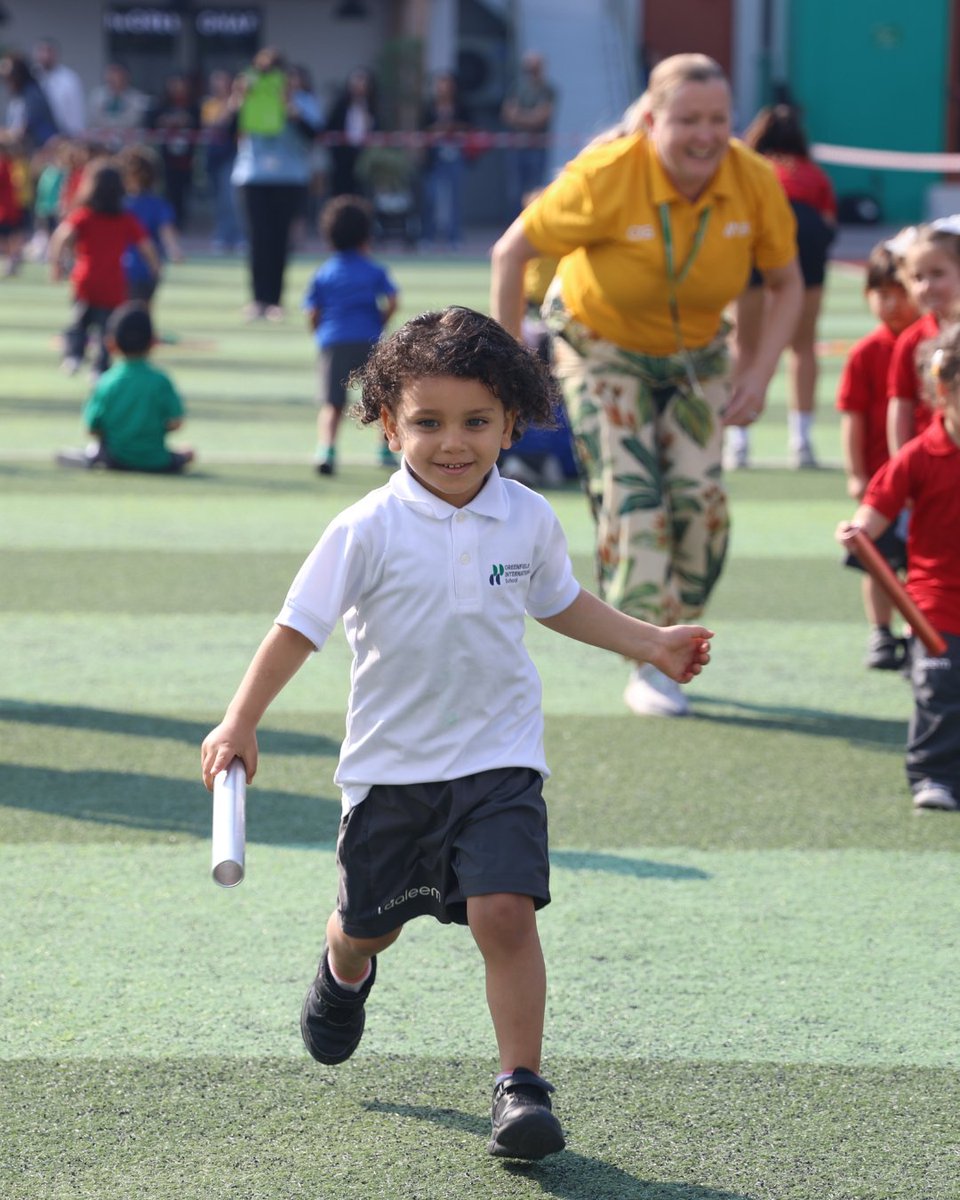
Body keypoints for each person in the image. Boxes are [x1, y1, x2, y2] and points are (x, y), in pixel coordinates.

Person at [200, 305, 713, 1161]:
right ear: (388, 421)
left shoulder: (526, 517)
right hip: (391, 773)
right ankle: (344, 968)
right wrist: (241, 720)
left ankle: (522, 1088)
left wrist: (649, 642)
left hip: (499, 761)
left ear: (513, 418)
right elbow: (298, 626)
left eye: (477, 421)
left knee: (505, 915)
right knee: (369, 926)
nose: (453, 442)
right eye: (428, 422)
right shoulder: (365, 528)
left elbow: (558, 601)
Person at [490, 52, 801, 717]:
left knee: (700, 506)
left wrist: (757, 371)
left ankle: (679, 637)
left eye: (719, 119)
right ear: (653, 120)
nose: (705, 135)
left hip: (697, 356)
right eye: (687, 119)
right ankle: (647, 654)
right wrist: (508, 371)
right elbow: (511, 251)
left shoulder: (753, 181)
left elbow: (785, 283)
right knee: (635, 499)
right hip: (602, 348)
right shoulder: (605, 175)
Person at [837, 320, 960, 812]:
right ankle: (933, 775)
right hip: (934, 601)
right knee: (939, 687)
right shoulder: (919, 455)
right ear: (945, 389)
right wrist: (859, 529)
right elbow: (878, 506)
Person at [836, 238, 919, 670]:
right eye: (880, 294)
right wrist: (856, 473)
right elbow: (852, 415)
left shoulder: (935, 343)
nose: (890, 304)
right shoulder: (867, 352)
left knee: (920, 563)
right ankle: (881, 632)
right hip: (881, 481)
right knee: (878, 562)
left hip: (925, 481)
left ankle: (916, 634)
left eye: (899, 292)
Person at [302, 194, 398, 476]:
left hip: (333, 340)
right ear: (366, 234)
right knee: (382, 398)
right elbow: (392, 299)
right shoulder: (374, 269)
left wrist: (319, 332)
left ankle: (326, 449)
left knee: (332, 402)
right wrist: (381, 320)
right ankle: (385, 448)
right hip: (370, 339)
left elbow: (312, 310)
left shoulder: (324, 272)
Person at [229, 47, 322, 320]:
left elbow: (314, 133)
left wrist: (290, 107)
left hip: (289, 178)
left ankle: (275, 301)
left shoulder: (302, 100)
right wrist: (237, 99)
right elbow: (224, 131)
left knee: (280, 239)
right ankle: (258, 299)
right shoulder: (247, 98)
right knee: (258, 240)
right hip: (252, 177)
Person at [48, 160, 159, 377]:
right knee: (108, 328)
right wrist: (155, 267)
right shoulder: (126, 219)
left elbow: (61, 237)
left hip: (86, 278)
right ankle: (100, 367)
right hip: (114, 281)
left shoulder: (84, 216)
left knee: (80, 321)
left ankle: (74, 356)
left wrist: (56, 264)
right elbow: (146, 246)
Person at [56, 302, 194, 473]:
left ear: (111, 344)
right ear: (152, 343)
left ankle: (94, 455)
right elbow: (176, 422)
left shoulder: (107, 381)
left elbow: (92, 427)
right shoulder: (161, 380)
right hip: (155, 460)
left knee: (98, 449)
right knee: (187, 452)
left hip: (115, 458)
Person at [886, 218, 960, 455]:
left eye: (937, 274)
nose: (926, 286)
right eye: (917, 277)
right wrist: (902, 462)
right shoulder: (912, 340)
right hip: (932, 461)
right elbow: (901, 405)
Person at [119, 145, 182, 310]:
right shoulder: (158, 204)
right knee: (142, 310)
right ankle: (144, 333)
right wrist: (174, 251)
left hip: (124, 267)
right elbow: (167, 232)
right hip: (147, 267)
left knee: (122, 310)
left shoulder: (119, 205)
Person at [418, 71, 472, 249]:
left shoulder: (460, 106)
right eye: (440, 83)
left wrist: (454, 128)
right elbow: (422, 131)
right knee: (431, 197)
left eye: (446, 83)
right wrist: (437, 130)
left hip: (455, 155)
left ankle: (454, 237)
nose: (443, 87)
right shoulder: (428, 107)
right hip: (434, 158)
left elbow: (470, 126)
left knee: (454, 198)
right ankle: (428, 236)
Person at [500, 51, 556, 215]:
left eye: (535, 67)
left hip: (537, 145)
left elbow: (541, 118)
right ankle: (515, 224)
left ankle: (533, 224)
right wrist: (529, 117)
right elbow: (507, 114)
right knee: (514, 190)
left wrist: (519, 116)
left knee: (535, 188)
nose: (531, 71)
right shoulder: (517, 87)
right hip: (517, 146)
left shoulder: (547, 90)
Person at [147, 73, 199, 230]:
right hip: (165, 158)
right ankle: (166, 224)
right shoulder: (161, 105)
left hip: (187, 159)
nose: (178, 88)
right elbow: (151, 124)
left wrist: (186, 121)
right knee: (166, 191)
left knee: (183, 191)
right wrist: (164, 122)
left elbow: (199, 125)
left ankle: (180, 223)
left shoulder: (193, 106)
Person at [200, 68, 244, 254]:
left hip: (232, 156)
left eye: (224, 81)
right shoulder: (209, 104)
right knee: (219, 200)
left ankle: (239, 237)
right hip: (214, 157)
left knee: (231, 199)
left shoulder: (241, 103)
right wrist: (230, 106)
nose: (220, 85)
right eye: (217, 81)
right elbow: (214, 124)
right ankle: (223, 236)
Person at [325, 68, 377, 198]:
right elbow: (329, 128)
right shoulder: (341, 105)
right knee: (341, 192)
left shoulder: (372, 106)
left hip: (364, 157)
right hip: (343, 157)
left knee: (362, 192)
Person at [1, 52, 58, 151]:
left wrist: (6, 135)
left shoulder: (32, 95)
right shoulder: (17, 97)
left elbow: (23, 130)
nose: (6, 83)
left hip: (42, 150)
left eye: (9, 78)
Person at [32, 38, 85, 138]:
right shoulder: (32, 76)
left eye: (49, 51)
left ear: (56, 54)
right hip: (34, 136)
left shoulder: (69, 79)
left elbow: (76, 112)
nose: (45, 56)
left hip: (62, 135)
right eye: (41, 51)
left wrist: (76, 135)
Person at [87, 63, 149, 141]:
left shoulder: (137, 98)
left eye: (117, 74)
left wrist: (114, 130)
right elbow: (95, 120)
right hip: (101, 142)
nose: (113, 78)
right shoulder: (97, 96)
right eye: (110, 74)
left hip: (129, 142)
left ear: (126, 77)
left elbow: (133, 121)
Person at [0, 130, 26, 276]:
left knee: (6, 236)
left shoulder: (4, 164)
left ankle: (12, 260)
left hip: (5, 208)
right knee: (9, 235)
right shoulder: (10, 163)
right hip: (9, 206)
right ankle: (12, 260)